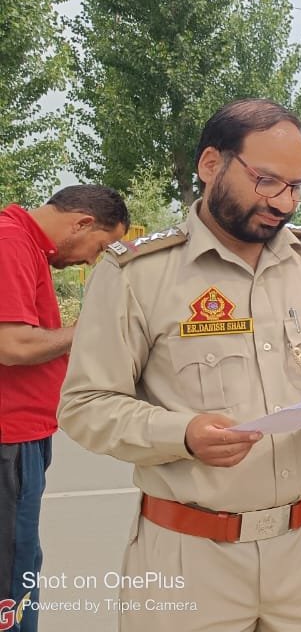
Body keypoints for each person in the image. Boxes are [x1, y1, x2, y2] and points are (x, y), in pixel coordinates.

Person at [58, 99, 301, 631]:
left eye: (296, 186)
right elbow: (85, 406)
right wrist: (183, 434)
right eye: (266, 181)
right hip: (190, 557)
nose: (283, 202)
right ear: (210, 165)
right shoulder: (137, 274)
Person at [0, 185, 129, 631]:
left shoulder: (22, 242)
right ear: (82, 223)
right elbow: (13, 345)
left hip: (23, 435)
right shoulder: (11, 242)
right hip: (11, 437)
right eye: (100, 247)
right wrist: (92, 326)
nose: (92, 260)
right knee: (12, 569)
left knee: (19, 559)